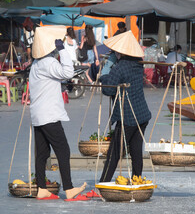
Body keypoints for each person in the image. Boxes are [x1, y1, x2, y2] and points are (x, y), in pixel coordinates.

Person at [29, 26, 87, 200]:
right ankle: (69, 188)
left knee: (42, 153)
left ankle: (41, 188)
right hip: (49, 115)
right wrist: (63, 51)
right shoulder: (49, 63)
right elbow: (68, 72)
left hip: (38, 114)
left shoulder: (36, 64)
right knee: (63, 150)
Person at [99, 30, 152, 182]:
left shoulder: (120, 67)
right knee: (136, 151)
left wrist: (107, 69)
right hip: (141, 114)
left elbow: (108, 89)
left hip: (128, 116)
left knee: (114, 152)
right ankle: (137, 179)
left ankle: (103, 183)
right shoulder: (137, 65)